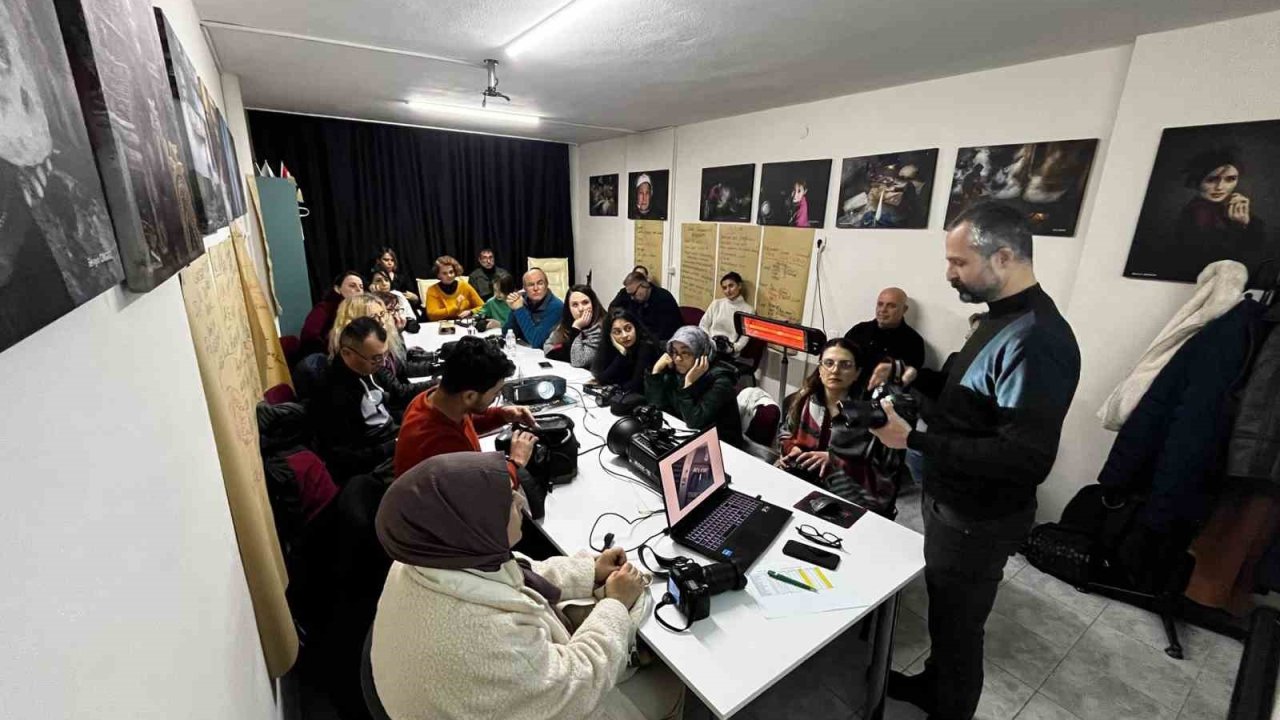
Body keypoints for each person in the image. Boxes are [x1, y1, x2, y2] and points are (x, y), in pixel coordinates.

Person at [868, 202, 1080, 720]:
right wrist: (918, 376)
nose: (949, 273)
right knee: (944, 617)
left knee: (960, 629)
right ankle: (932, 689)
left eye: (959, 263)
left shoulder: (1038, 339)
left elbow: (1024, 456)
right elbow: (973, 400)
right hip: (951, 501)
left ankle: (950, 707)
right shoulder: (998, 318)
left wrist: (912, 442)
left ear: (1003, 256)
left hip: (978, 517)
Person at [371, 452, 683, 720]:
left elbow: (516, 570)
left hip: (472, 694)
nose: (521, 502)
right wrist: (614, 604)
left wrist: (591, 570)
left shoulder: (428, 553)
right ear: (475, 526)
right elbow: (577, 686)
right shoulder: (487, 636)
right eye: (507, 501)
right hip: (546, 698)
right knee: (676, 685)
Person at [775, 339, 898, 511]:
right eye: (829, 363)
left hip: (852, 492)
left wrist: (835, 460)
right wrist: (792, 449)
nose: (835, 370)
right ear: (819, 369)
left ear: (857, 373)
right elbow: (785, 433)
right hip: (804, 479)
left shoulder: (872, 413)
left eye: (845, 365)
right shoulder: (804, 400)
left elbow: (886, 470)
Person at [393, 335, 537, 478]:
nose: (497, 397)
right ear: (470, 396)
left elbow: (466, 421)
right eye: (495, 393)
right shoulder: (444, 447)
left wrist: (502, 415)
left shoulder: (435, 400)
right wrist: (516, 462)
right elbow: (486, 491)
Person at [310, 317, 400, 480]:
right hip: (375, 465)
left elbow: (397, 393)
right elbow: (342, 457)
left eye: (384, 354)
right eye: (375, 358)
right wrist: (391, 446)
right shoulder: (332, 393)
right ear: (346, 353)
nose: (382, 362)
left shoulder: (369, 367)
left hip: (392, 440)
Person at [328, 293, 430, 420]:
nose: (382, 321)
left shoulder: (375, 352)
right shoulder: (344, 379)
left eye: (382, 314)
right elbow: (397, 393)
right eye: (373, 317)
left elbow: (401, 370)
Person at [644, 326, 743, 448]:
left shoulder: (721, 382)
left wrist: (688, 383)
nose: (677, 359)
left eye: (685, 352)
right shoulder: (675, 372)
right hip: (686, 438)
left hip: (722, 446)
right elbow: (657, 406)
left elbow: (694, 421)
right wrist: (656, 372)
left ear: (702, 354)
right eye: (674, 351)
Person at [843, 287, 926, 384]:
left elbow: (907, 379)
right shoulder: (858, 331)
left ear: (904, 309)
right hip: (850, 389)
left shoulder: (913, 341)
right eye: (880, 304)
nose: (883, 310)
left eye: (891, 306)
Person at [591, 309, 660, 395]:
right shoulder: (614, 347)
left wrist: (614, 388)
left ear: (635, 327)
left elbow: (636, 386)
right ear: (610, 336)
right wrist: (622, 353)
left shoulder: (646, 347)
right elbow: (602, 379)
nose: (624, 335)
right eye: (617, 332)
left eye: (628, 328)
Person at [300, 271, 364, 357]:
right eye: (352, 286)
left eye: (361, 287)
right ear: (337, 289)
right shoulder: (325, 308)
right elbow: (309, 336)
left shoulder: (365, 310)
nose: (359, 290)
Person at [544, 285, 606, 368]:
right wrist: (569, 351)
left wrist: (576, 328)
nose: (581, 309)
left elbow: (578, 361)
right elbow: (548, 348)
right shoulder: (568, 323)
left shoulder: (601, 327)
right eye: (575, 305)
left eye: (585, 303)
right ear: (569, 309)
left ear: (593, 304)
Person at [503, 268, 564, 348]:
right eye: (531, 285)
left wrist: (519, 310)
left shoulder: (557, 306)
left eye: (540, 283)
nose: (536, 288)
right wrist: (513, 308)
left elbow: (536, 341)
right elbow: (507, 332)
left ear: (546, 285)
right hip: (525, 351)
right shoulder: (522, 301)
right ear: (524, 288)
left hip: (546, 355)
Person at [617, 271, 682, 342]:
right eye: (630, 295)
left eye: (634, 293)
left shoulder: (663, 299)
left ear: (644, 285)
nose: (632, 298)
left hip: (667, 341)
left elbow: (664, 333)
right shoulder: (636, 300)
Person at [699, 272, 753, 353]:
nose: (728, 290)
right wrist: (709, 341)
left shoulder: (748, 310)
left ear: (739, 286)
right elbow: (703, 325)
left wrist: (733, 348)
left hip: (728, 350)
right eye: (724, 288)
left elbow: (745, 337)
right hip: (710, 344)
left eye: (731, 286)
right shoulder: (716, 303)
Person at [424, 255, 484, 321]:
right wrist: (455, 307)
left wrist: (471, 312)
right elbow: (432, 315)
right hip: (441, 325)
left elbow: (483, 307)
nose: (449, 276)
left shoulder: (465, 286)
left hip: (464, 324)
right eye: (444, 273)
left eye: (451, 272)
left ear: (455, 272)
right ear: (438, 275)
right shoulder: (432, 290)